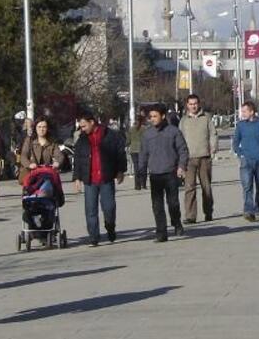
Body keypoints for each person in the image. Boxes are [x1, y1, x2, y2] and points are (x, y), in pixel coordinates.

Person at [72, 111, 127, 246]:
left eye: (84, 126)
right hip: (89, 179)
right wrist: (77, 178)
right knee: (90, 210)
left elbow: (120, 153)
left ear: (92, 122)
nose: (82, 129)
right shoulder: (82, 140)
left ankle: (110, 227)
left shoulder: (110, 135)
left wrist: (120, 171)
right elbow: (78, 159)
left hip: (106, 177)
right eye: (81, 126)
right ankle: (93, 237)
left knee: (109, 207)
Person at [138, 103, 189, 242]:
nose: (152, 119)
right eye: (151, 117)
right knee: (157, 205)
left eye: (155, 116)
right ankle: (161, 232)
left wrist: (181, 166)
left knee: (173, 203)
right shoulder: (147, 134)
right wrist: (141, 173)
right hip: (155, 174)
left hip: (171, 172)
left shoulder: (173, 131)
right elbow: (143, 154)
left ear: (163, 116)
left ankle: (176, 222)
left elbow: (183, 150)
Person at [232, 101, 259, 221]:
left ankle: (257, 209)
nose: (243, 113)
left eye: (245, 111)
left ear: (252, 112)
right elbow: (235, 142)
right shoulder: (240, 125)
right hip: (246, 160)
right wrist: (240, 153)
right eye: (242, 111)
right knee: (247, 186)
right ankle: (248, 210)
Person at [180, 94, 216, 224]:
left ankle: (208, 212)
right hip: (189, 159)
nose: (193, 106)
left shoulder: (206, 118)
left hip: (204, 157)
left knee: (206, 187)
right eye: (190, 104)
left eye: (195, 103)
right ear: (187, 105)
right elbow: (179, 139)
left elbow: (213, 134)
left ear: (199, 104)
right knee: (189, 187)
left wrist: (213, 148)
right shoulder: (183, 121)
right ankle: (190, 215)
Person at [127, 109, 147, 190]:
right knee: (143, 166)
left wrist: (127, 145)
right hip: (142, 149)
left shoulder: (131, 129)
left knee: (136, 167)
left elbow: (128, 140)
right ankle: (143, 184)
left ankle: (137, 185)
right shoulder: (144, 129)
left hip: (133, 149)